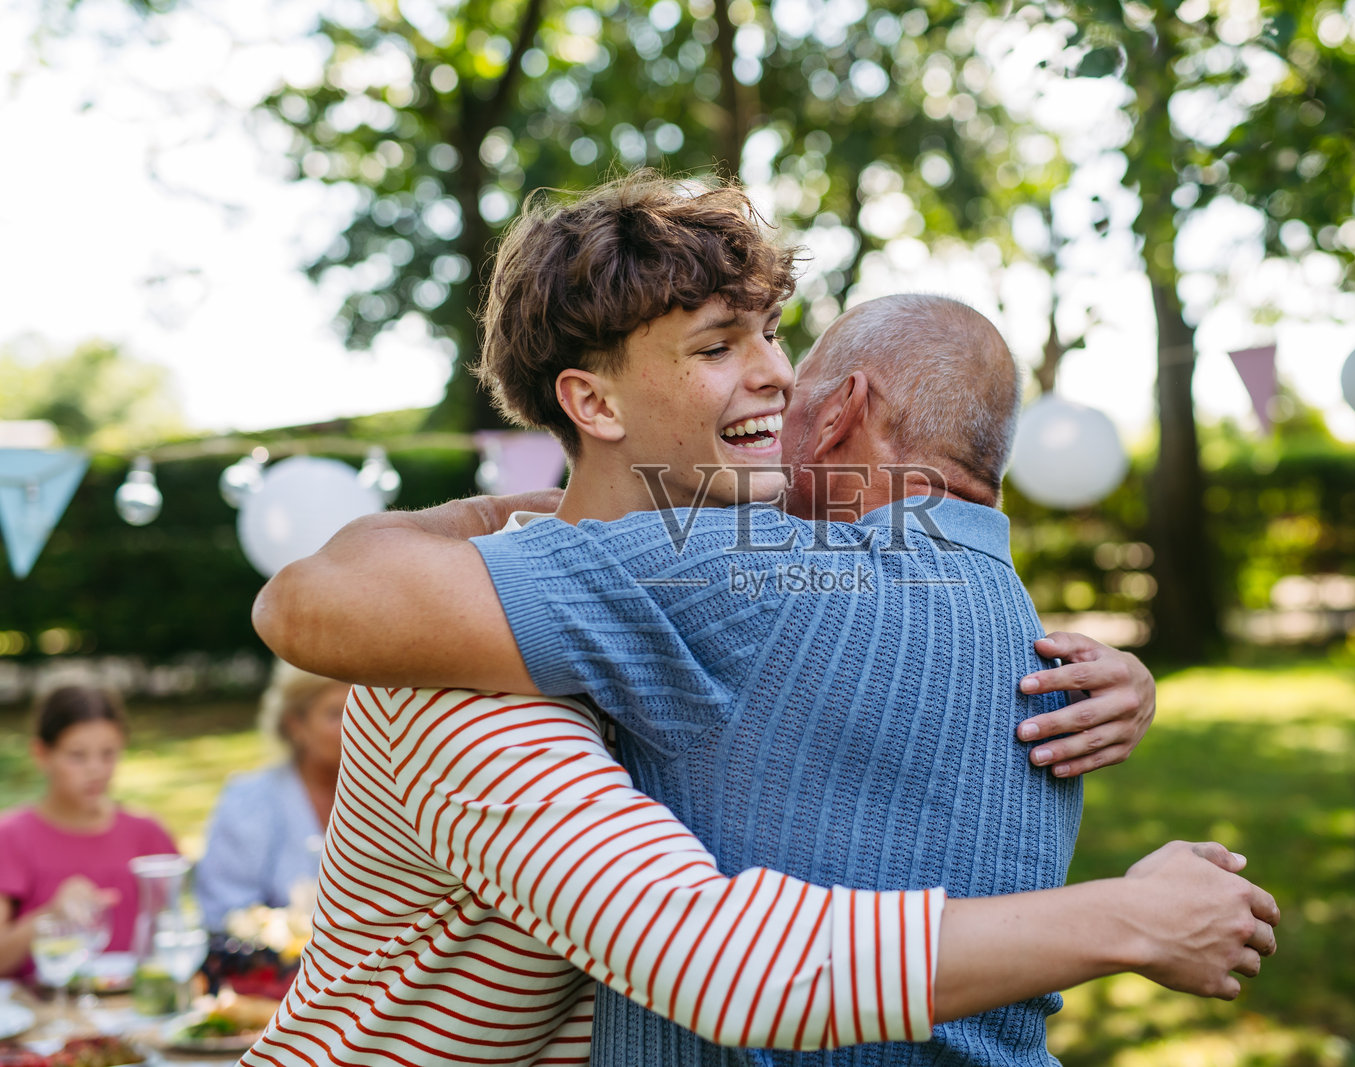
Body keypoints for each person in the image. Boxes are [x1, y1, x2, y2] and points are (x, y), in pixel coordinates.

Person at [251, 174, 1278, 1066]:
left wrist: (1092, 670)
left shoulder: (722, 592)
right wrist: (1125, 914)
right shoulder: (456, 670)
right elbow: (722, 963)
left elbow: (897, 605)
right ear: (593, 404)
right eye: (717, 344)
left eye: (774, 333)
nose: (782, 375)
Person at [0, 685, 178, 976]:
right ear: (42, 754)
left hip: (132, 1008)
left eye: (108, 754)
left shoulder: (147, 833)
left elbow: (173, 933)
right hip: (40, 1010)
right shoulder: (10, 837)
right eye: (77, 756)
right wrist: (51, 914)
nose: (96, 769)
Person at [193, 661, 350, 930]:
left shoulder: (394, 799)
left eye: (360, 713)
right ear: (295, 725)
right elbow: (225, 911)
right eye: (335, 714)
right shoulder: (249, 803)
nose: (353, 726)